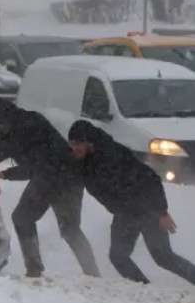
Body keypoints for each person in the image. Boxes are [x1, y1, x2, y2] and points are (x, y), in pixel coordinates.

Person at [0, 97, 100, 278]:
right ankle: (34, 267)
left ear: (6, 119)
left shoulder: (32, 125)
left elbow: (36, 167)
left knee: (70, 229)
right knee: (22, 218)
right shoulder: (5, 130)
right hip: (44, 179)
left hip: (67, 178)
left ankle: (93, 273)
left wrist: (4, 174)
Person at [68, 120, 195, 285]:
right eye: (72, 143)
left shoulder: (113, 155)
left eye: (79, 143)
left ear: (89, 143)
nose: (75, 148)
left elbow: (151, 179)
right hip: (125, 213)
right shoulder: (84, 162)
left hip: (148, 210)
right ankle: (145, 291)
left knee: (163, 257)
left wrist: (161, 212)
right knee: (118, 257)